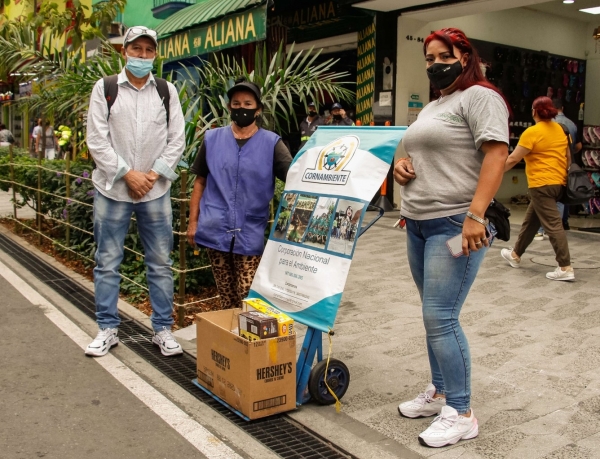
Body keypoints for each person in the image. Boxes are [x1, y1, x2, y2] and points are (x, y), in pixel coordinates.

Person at [393, 28, 509, 447]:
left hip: (454, 223)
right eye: (428, 58)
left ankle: (461, 412)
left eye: (444, 55)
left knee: (441, 316)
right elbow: (417, 151)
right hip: (419, 222)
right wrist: (402, 165)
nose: (434, 64)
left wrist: (476, 216)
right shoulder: (436, 105)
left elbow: (497, 154)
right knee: (431, 314)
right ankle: (440, 392)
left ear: (464, 56)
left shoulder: (481, 96)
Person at [85, 26, 186, 357]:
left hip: (155, 192)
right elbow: (97, 139)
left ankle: (162, 329)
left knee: (159, 261)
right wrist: (128, 174)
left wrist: (152, 175)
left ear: (155, 54)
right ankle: (107, 327)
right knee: (107, 260)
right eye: (136, 49)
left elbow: (177, 140)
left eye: (148, 50)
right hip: (113, 190)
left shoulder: (166, 91)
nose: (142, 56)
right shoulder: (106, 89)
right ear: (123, 50)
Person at [187, 78, 292, 309]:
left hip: (250, 228)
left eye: (247, 103)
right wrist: (193, 222)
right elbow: (200, 182)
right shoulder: (212, 139)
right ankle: (232, 339)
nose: (241, 108)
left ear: (258, 109)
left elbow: (293, 178)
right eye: (236, 103)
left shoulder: (272, 143)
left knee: (248, 293)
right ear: (228, 107)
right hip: (215, 227)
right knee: (226, 293)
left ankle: (248, 340)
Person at [502, 96, 573, 281]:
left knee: (553, 226)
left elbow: (513, 159)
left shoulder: (531, 132)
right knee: (531, 222)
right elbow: (568, 158)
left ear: (534, 111)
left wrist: (492, 173)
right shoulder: (561, 129)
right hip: (559, 183)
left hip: (541, 184)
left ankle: (565, 267)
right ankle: (515, 255)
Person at [534, 98, 582, 239]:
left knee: (543, 200)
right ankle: (558, 226)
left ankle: (544, 229)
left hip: (545, 168)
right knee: (561, 198)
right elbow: (577, 146)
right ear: (562, 107)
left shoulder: (546, 124)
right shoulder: (571, 124)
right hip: (564, 166)